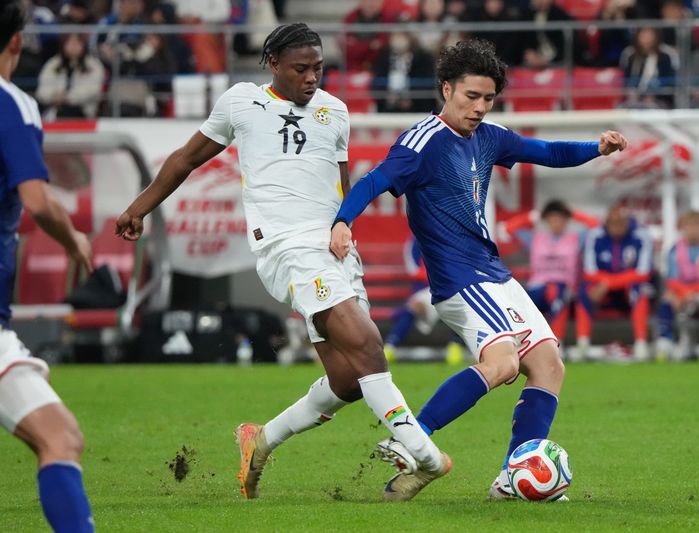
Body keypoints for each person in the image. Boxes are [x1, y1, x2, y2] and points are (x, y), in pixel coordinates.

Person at [114, 23, 449, 501]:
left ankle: (262, 439)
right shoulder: (241, 102)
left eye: (318, 68)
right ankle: (428, 458)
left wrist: (345, 229)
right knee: (369, 345)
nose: (312, 77)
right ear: (274, 64)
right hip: (286, 247)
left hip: (332, 248)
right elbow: (187, 158)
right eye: (300, 69)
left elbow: (341, 182)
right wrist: (139, 207)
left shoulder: (335, 111)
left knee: (350, 380)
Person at [329, 38, 627, 500]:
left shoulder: (487, 137)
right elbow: (375, 180)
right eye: (471, 96)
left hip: (493, 272)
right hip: (458, 278)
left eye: (488, 98)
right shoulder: (421, 141)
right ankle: (412, 438)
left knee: (549, 366)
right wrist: (344, 221)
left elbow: (546, 151)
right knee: (504, 362)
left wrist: (597, 148)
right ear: (446, 88)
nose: (480, 107)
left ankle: (512, 477)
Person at [0, 1, 95, 531]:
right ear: (17, 42)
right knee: (60, 439)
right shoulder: (13, 104)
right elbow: (36, 201)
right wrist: (74, 238)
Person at [498, 199, 599, 343]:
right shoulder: (536, 238)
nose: (556, 223)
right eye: (552, 219)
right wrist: (536, 215)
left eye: (560, 219)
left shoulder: (575, 238)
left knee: (558, 292)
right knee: (512, 302)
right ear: (546, 221)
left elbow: (595, 226)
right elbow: (507, 228)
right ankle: (517, 344)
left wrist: (571, 213)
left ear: (566, 220)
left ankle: (557, 342)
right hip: (537, 288)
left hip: (564, 289)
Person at [576, 204, 654, 362]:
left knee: (639, 290)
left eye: (621, 222)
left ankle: (641, 344)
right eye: (613, 223)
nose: (617, 227)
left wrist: (609, 282)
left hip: (627, 286)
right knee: (584, 292)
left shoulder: (641, 235)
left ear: (628, 222)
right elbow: (589, 271)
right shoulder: (595, 236)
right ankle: (582, 345)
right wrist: (605, 282)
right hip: (602, 287)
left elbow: (643, 272)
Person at [655, 210, 699, 362]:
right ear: (682, 228)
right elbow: (672, 279)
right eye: (688, 225)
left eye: (697, 225)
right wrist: (685, 293)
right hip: (684, 292)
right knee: (668, 296)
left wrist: (692, 293)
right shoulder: (675, 249)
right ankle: (665, 342)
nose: (693, 230)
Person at [383, 238, 466, 365]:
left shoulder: (448, 238)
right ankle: (390, 347)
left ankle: (455, 346)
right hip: (426, 288)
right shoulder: (414, 242)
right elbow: (414, 270)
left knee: (461, 303)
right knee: (414, 306)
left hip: (448, 286)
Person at [36, 33, 104, 119]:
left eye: (77, 43)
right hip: (53, 106)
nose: (73, 47)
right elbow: (42, 90)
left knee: (67, 113)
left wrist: (67, 98)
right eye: (69, 43)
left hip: (82, 109)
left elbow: (93, 90)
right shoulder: (53, 63)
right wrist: (53, 96)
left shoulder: (93, 64)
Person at [371, 32, 437, 113]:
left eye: (401, 36)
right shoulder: (384, 57)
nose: (398, 40)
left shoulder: (423, 57)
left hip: (417, 106)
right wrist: (388, 98)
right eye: (396, 36)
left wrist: (412, 99)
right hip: (389, 105)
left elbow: (427, 81)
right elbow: (377, 80)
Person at [619, 27, 679, 109]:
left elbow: (670, 81)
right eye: (643, 35)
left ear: (656, 36)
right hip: (634, 99)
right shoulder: (629, 54)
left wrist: (654, 95)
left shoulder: (667, 55)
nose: (646, 39)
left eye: (649, 35)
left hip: (659, 99)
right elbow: (626, 79)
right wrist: (631, 93)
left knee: (652, 108)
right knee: (620, 109)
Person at [341, 0, 396, 71]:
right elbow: (348, 49)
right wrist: (370, 46)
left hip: (380, 68)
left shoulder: (388, 18)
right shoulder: (350, 18)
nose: (371, 4)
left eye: (375, 1)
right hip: (353, 68)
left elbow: (384, 46)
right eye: (368, 1)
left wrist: (358, 45)